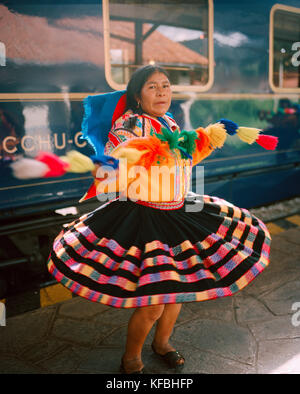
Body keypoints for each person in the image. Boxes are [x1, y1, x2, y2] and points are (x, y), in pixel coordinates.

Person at [47, 65, 272, 374]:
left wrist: (209, 137)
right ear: (137, 96)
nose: (162, 91)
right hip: (143, 218)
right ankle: (131, 358)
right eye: (152, 87)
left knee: (174, 289)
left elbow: (183, 158)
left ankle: (162, 343)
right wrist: (112, 164)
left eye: (166, 86)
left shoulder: (168, 122)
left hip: (177, 212)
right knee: (152, 303)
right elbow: (113, 167)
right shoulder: (128, 125)